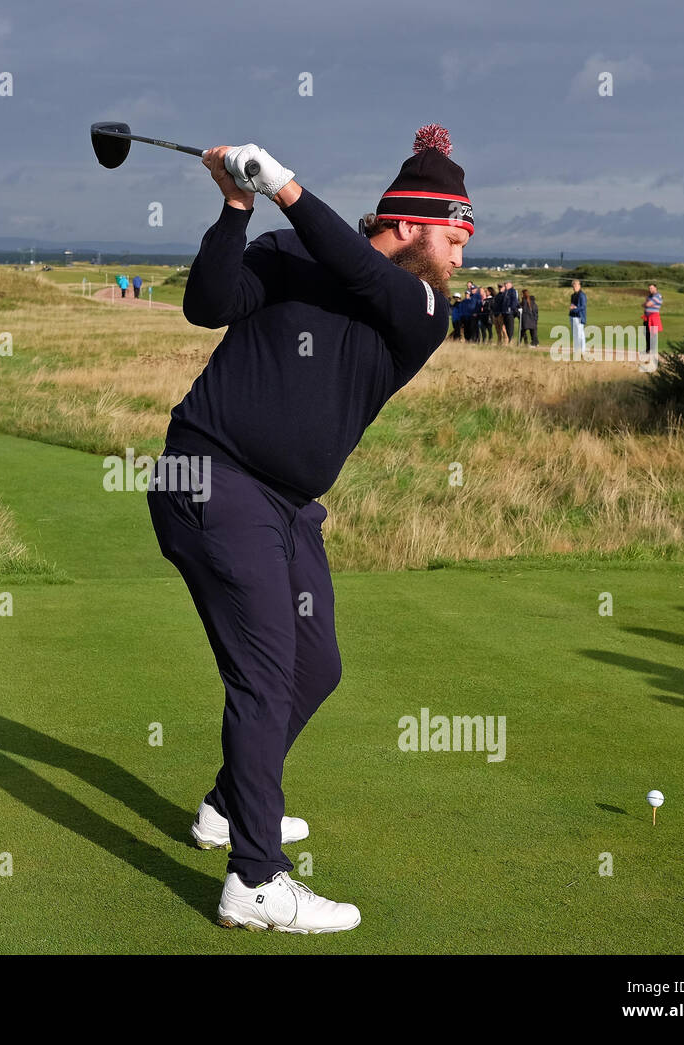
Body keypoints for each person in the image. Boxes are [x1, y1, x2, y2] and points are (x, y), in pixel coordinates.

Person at [148, 125, 471, 934]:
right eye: (459, 234)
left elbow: (360, 270)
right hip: (210, 475)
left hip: (288, 505)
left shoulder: (423, 309)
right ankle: (255, 879)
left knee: (314, 665)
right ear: (416, 224)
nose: (464, 254)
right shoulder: (290, 253)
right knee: (263, 675)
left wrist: (285, 184)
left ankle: (228, 806)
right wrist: (234, 211)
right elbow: (206, 305)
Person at [642, 283, 662, 359]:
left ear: (655, 288)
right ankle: (648, 348)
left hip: (654, 317)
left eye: (651, 288)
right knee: (646, 333)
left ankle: (653, 349)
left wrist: (647, 304)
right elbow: (645, 304)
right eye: (649, 288)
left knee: (653, 333)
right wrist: (646, 304)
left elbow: (648, 304)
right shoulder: (649, 296)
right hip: (647, 317)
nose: (650, 290)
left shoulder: (658, 296)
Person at [569, 279, 587, 355]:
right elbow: (572, 305)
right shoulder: (573, 295)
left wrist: (575, 309)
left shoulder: (582, 295)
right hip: (572, 316)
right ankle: (577, 350)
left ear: (579, 285)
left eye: (575, 285)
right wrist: (572, 307)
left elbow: (583, 306)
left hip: (579, 317)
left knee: (580, 335)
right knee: (575, 334)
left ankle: (582, 351)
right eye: (573, 285)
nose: (574, 287)